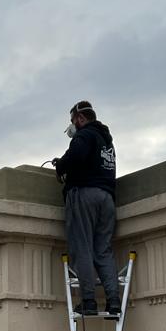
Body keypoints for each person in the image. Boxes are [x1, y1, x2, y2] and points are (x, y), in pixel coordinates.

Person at [53, 101, 120, 316]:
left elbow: (76, 156)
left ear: (81, 119)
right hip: (107, 198)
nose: (72, 126)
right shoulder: (106, 140)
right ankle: (113, 301)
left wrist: (61, 166)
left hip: (84, 194)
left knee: (82, 247)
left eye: (73, 121)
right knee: (103, 250)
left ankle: (89, 301)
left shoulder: (84, 135)